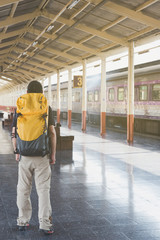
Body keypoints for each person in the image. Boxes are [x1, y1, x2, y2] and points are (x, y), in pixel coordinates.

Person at [11, 80, 56, 235]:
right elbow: (52, 133)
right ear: (41, 93)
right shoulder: (46, 108)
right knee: (43, 190)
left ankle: (22, 221)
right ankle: (45, 224)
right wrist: (53, 154)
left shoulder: (20, 107)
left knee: (23, 189)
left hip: (24, 155)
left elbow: (14, 133)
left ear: (28, 92)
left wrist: (17, 151)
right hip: (42, 155)